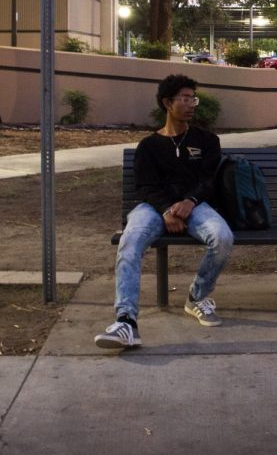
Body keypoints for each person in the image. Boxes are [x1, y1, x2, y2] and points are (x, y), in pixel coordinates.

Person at [95, 74, 234, 349]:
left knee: (223, 237)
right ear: (167, 103)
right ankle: (126, 322)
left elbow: (208, 181)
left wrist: (190, 201)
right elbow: (145, 187)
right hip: (153, 208)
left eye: (193, 98)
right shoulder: (149, 146)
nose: (192, 104)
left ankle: (197, 297)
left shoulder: (207, 140)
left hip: (195, 206)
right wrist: (166, 210)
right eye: (184, 98)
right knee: (130, 242)